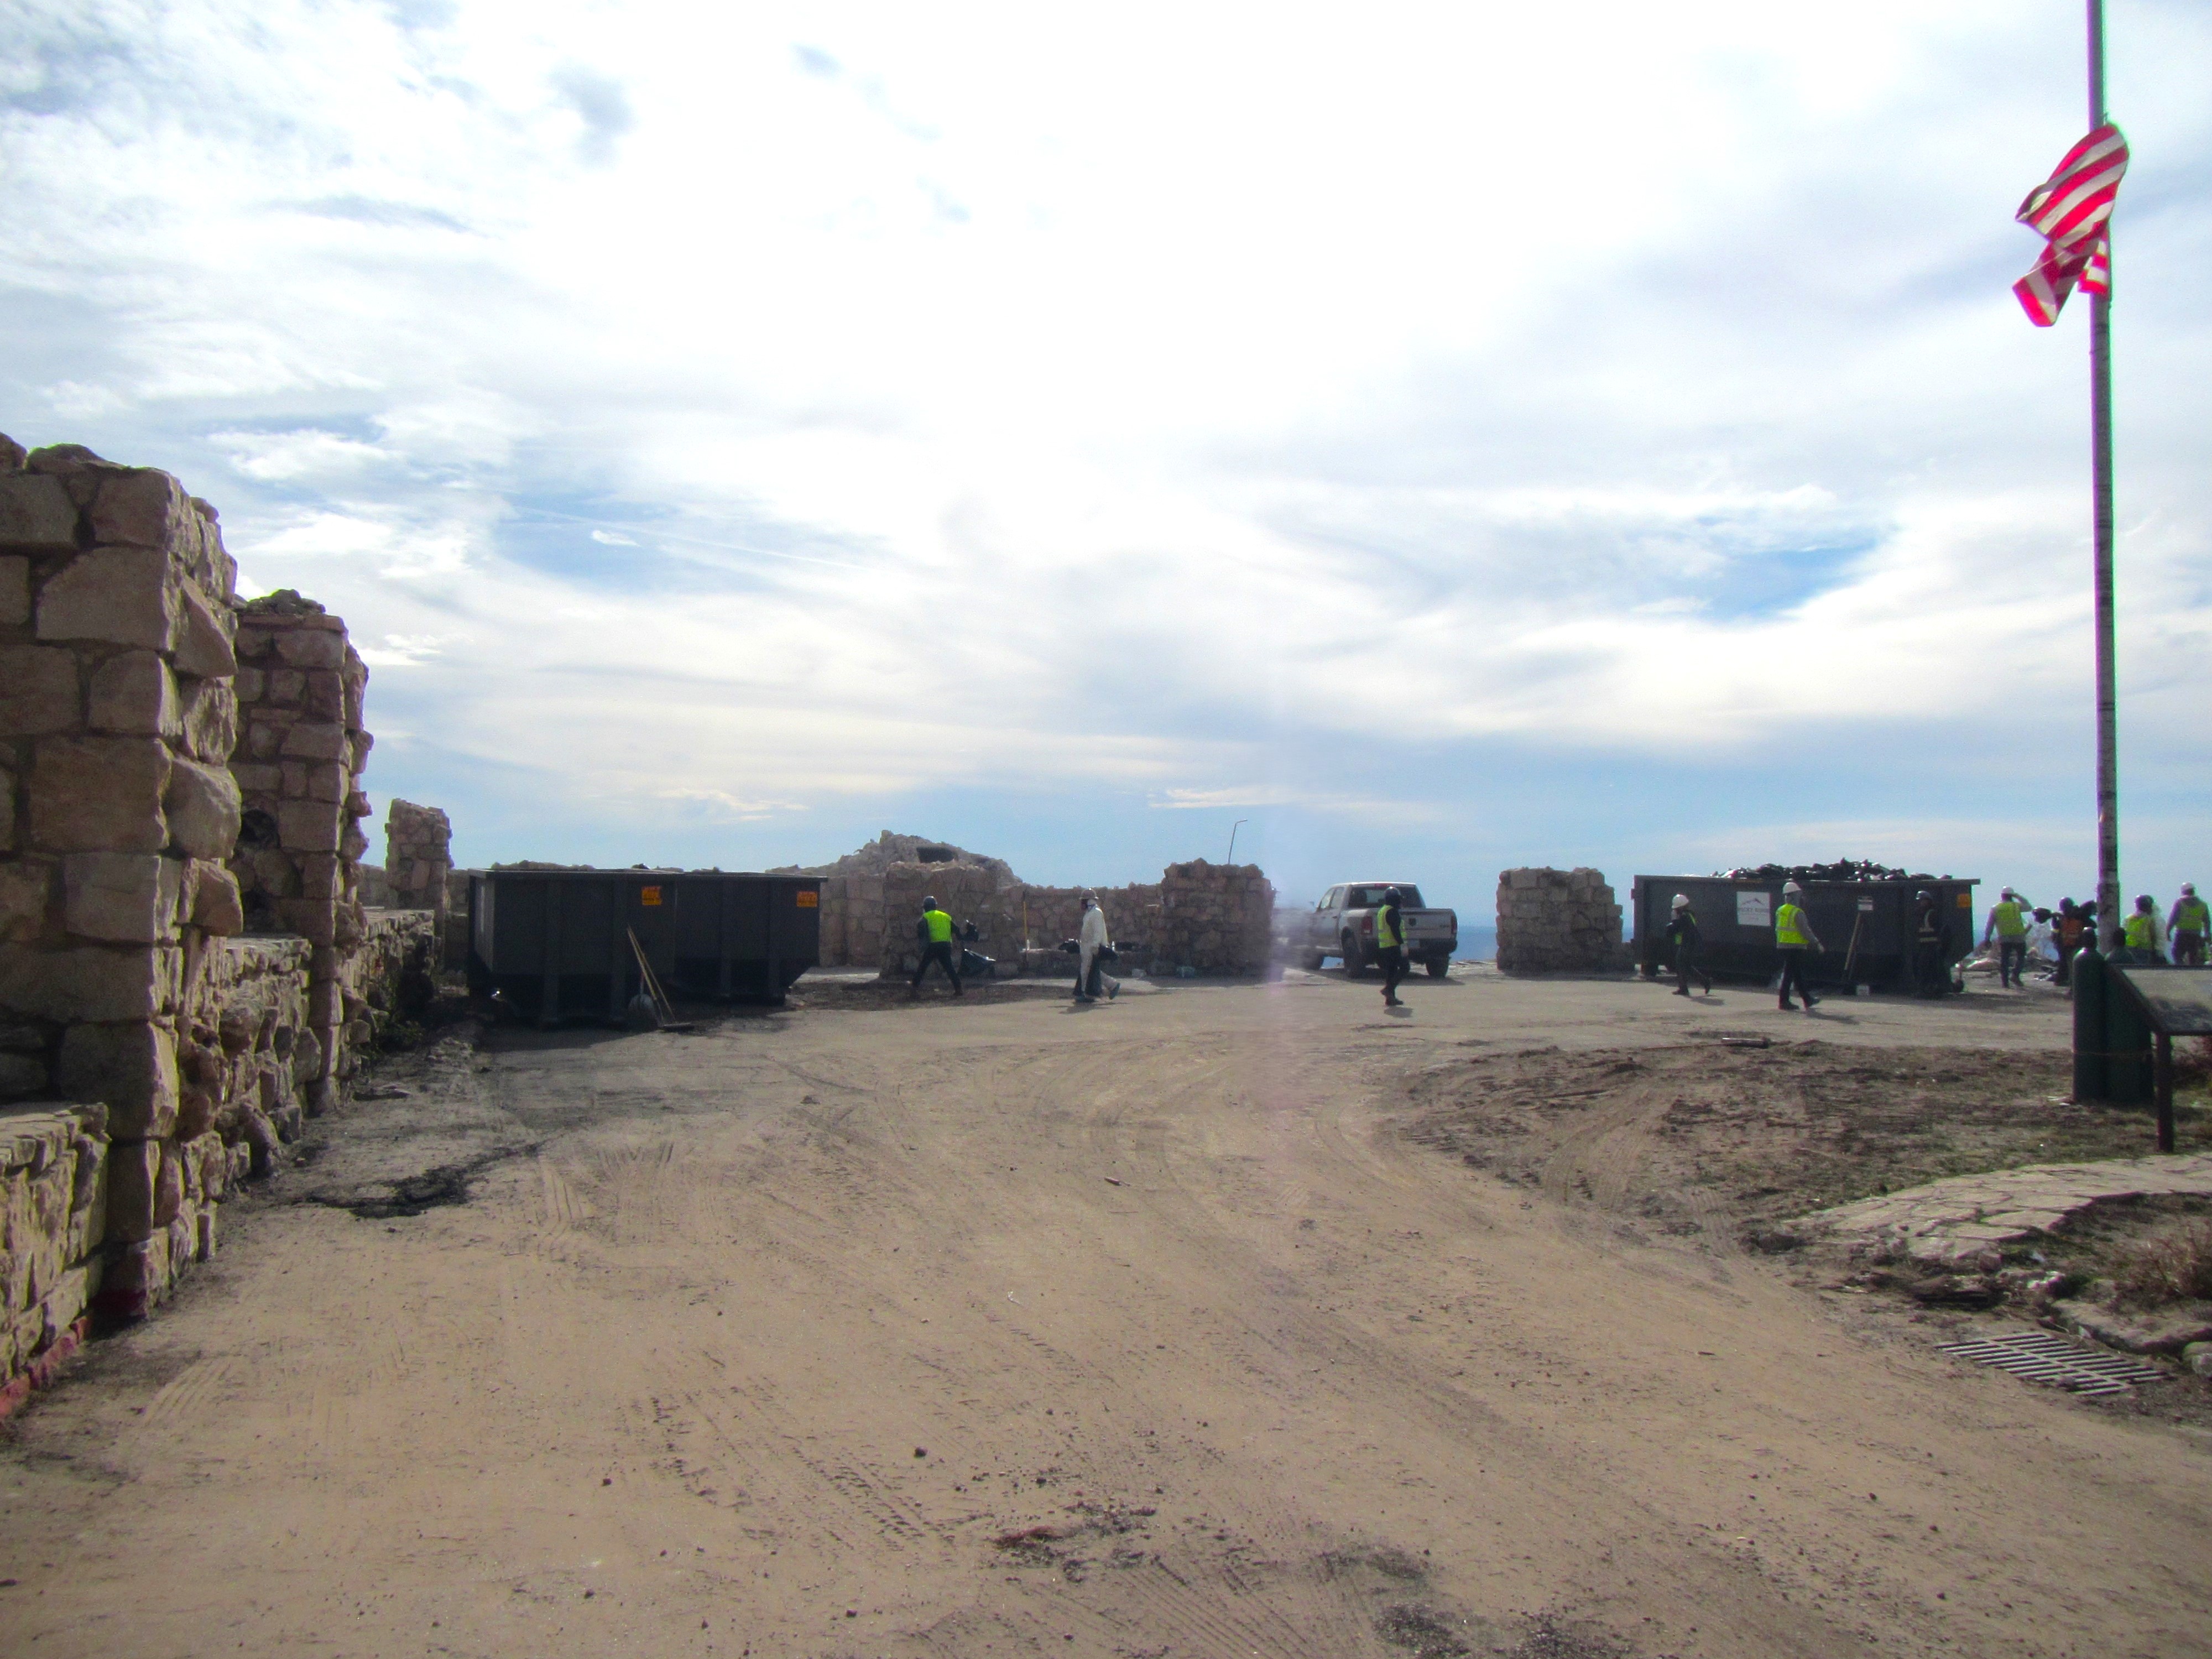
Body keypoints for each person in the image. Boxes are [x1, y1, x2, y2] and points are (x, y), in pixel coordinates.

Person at [1773, 880, 1823, 1011]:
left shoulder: (1781, 910)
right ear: (1795, 895)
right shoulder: (1797, 912)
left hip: (1782, 946)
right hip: (1795, 947)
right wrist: (1817, 943)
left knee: (1796, 974)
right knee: (1790, 975)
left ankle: (1807, 999)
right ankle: (1784, 1002)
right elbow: (1805, 931)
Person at [910, 894, 963, 997]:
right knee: (949, 968)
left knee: (923, 967)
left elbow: (921, 933)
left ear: (925, 907)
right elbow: (956, 929)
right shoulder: (945, 916)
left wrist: (922, 946)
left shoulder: (925, 917)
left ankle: (914, 988)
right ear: (935, 906)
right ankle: (959, 989)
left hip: (933, 945)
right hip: (946, 945)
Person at [1662, 893, 1712, 996]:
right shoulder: (1689, 915)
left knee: (1680, 965)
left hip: (1687, 944)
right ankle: (1705, 982)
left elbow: (1677, 929)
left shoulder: (1684, 917)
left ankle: (1684, 989)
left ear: (1680, 907)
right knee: (1686, 966)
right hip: (1690, 944)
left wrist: (1673, 921)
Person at [1982, 886, 2031, 988]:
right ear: (2012, 896)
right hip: (2018, 935)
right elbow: (2029, 907)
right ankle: (2015, 975)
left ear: (2002, 896)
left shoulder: (1996, 908)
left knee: (2005, 959)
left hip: (2004, 937)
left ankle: (2005, 983)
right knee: (2021, 957)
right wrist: (2018, 896)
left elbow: (1990, 925)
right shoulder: (2016, 906)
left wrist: (1987, 938)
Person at [1074, 893, 1118, 1003]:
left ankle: (1086, 993)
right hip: (1086, 947)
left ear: (1088, 901)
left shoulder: (1096, 913)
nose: (1081, 904)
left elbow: (1098, 932)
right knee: (1092, 970)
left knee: (1086, 970)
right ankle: (1113, 985)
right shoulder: (1090, 913)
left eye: (1082, 901)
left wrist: (1095, 946)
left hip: (1092, 947)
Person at [1909, 889, 1949, 998]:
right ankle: (1926, 990)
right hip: (1923, 946)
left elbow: (1941, 931)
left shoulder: (1932, 914)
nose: (1921, 903)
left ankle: (1930, 990)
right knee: (1922, 968)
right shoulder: (1920, 915)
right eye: (1920, 901)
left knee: (1928, 969)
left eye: (1923, 901)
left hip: (1931, 947)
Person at [1375, 887, 1408, 1009]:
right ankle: (1389, 990)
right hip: (1394, 945)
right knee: (1405, 968)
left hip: (1385, 946)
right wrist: (1402, 945)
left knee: (1391, 971)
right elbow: (1395, 930)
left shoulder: (1383, 910)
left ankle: (1390, 999)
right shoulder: (1392, 911)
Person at [2119, 893, 2168, 963]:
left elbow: (2123, 933)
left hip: (2129, 948)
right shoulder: (2152, 919)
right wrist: (2158, 951)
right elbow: (2159, 936)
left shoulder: (2129, 918)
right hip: (2145, 950)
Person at [2170, 883, 2209, 968]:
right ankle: (2193, 972)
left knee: (2177, 954)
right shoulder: (2203, 905)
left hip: (2181, 933)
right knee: (2193, 956)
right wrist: (2207, 934)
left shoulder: (2180, 903)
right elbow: (2207, 921)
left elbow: (2173, 918)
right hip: (2196, 934)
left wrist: (2168, 931)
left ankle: (2181, 969)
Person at [2053, 898, 2086, 987]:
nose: (2065, 912)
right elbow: (2057, 928)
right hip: (2066, 945)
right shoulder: (2064, 918)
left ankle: (2073, 985)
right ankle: (2067, 983)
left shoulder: (2078, 917)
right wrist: (2054, 918)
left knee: (2072, 967)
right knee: (2066, 965)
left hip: (2075, 945)